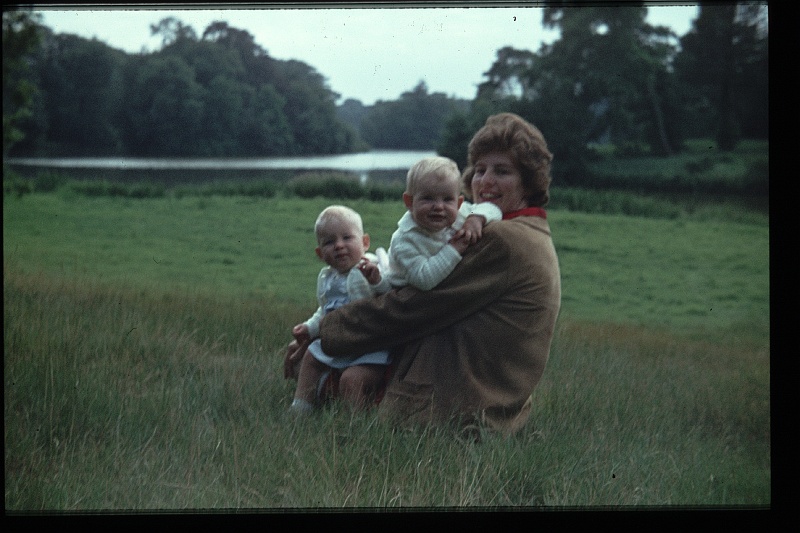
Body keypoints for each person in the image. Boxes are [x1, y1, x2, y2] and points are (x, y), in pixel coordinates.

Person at [304, 112, 562, 435]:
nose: (485, 181)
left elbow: (415, 306)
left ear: (529, 180)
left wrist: (325, 331)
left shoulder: (503, 239)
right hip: (495, 401)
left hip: (460, 412)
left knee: (337, 378)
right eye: (480, 169)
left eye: (502, 171)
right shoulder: (528, 229)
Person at [287, 205, 392, 413]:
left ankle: (355, 421)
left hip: (368, 347)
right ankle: (302, 406)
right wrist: (309, 327)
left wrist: (377, 280)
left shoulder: (369, 266)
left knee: (351, 380)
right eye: (329, 242)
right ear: (320, 253)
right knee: (309, 357)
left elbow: (389, 291)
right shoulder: (328, 278)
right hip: (338, 342)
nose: (339, 246)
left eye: (347, 238)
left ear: (365, 242)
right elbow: (324, 311)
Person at [385, 155, 502, 290]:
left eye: (447, 199)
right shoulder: (404, 240)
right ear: (409, 202)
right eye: (428, 198)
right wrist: (454, 248)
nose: (439, 206)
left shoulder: (462, 213)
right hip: (404, 294)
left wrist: (476, 218)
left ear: (458, 203)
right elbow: (423, 280)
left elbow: (493, 209)